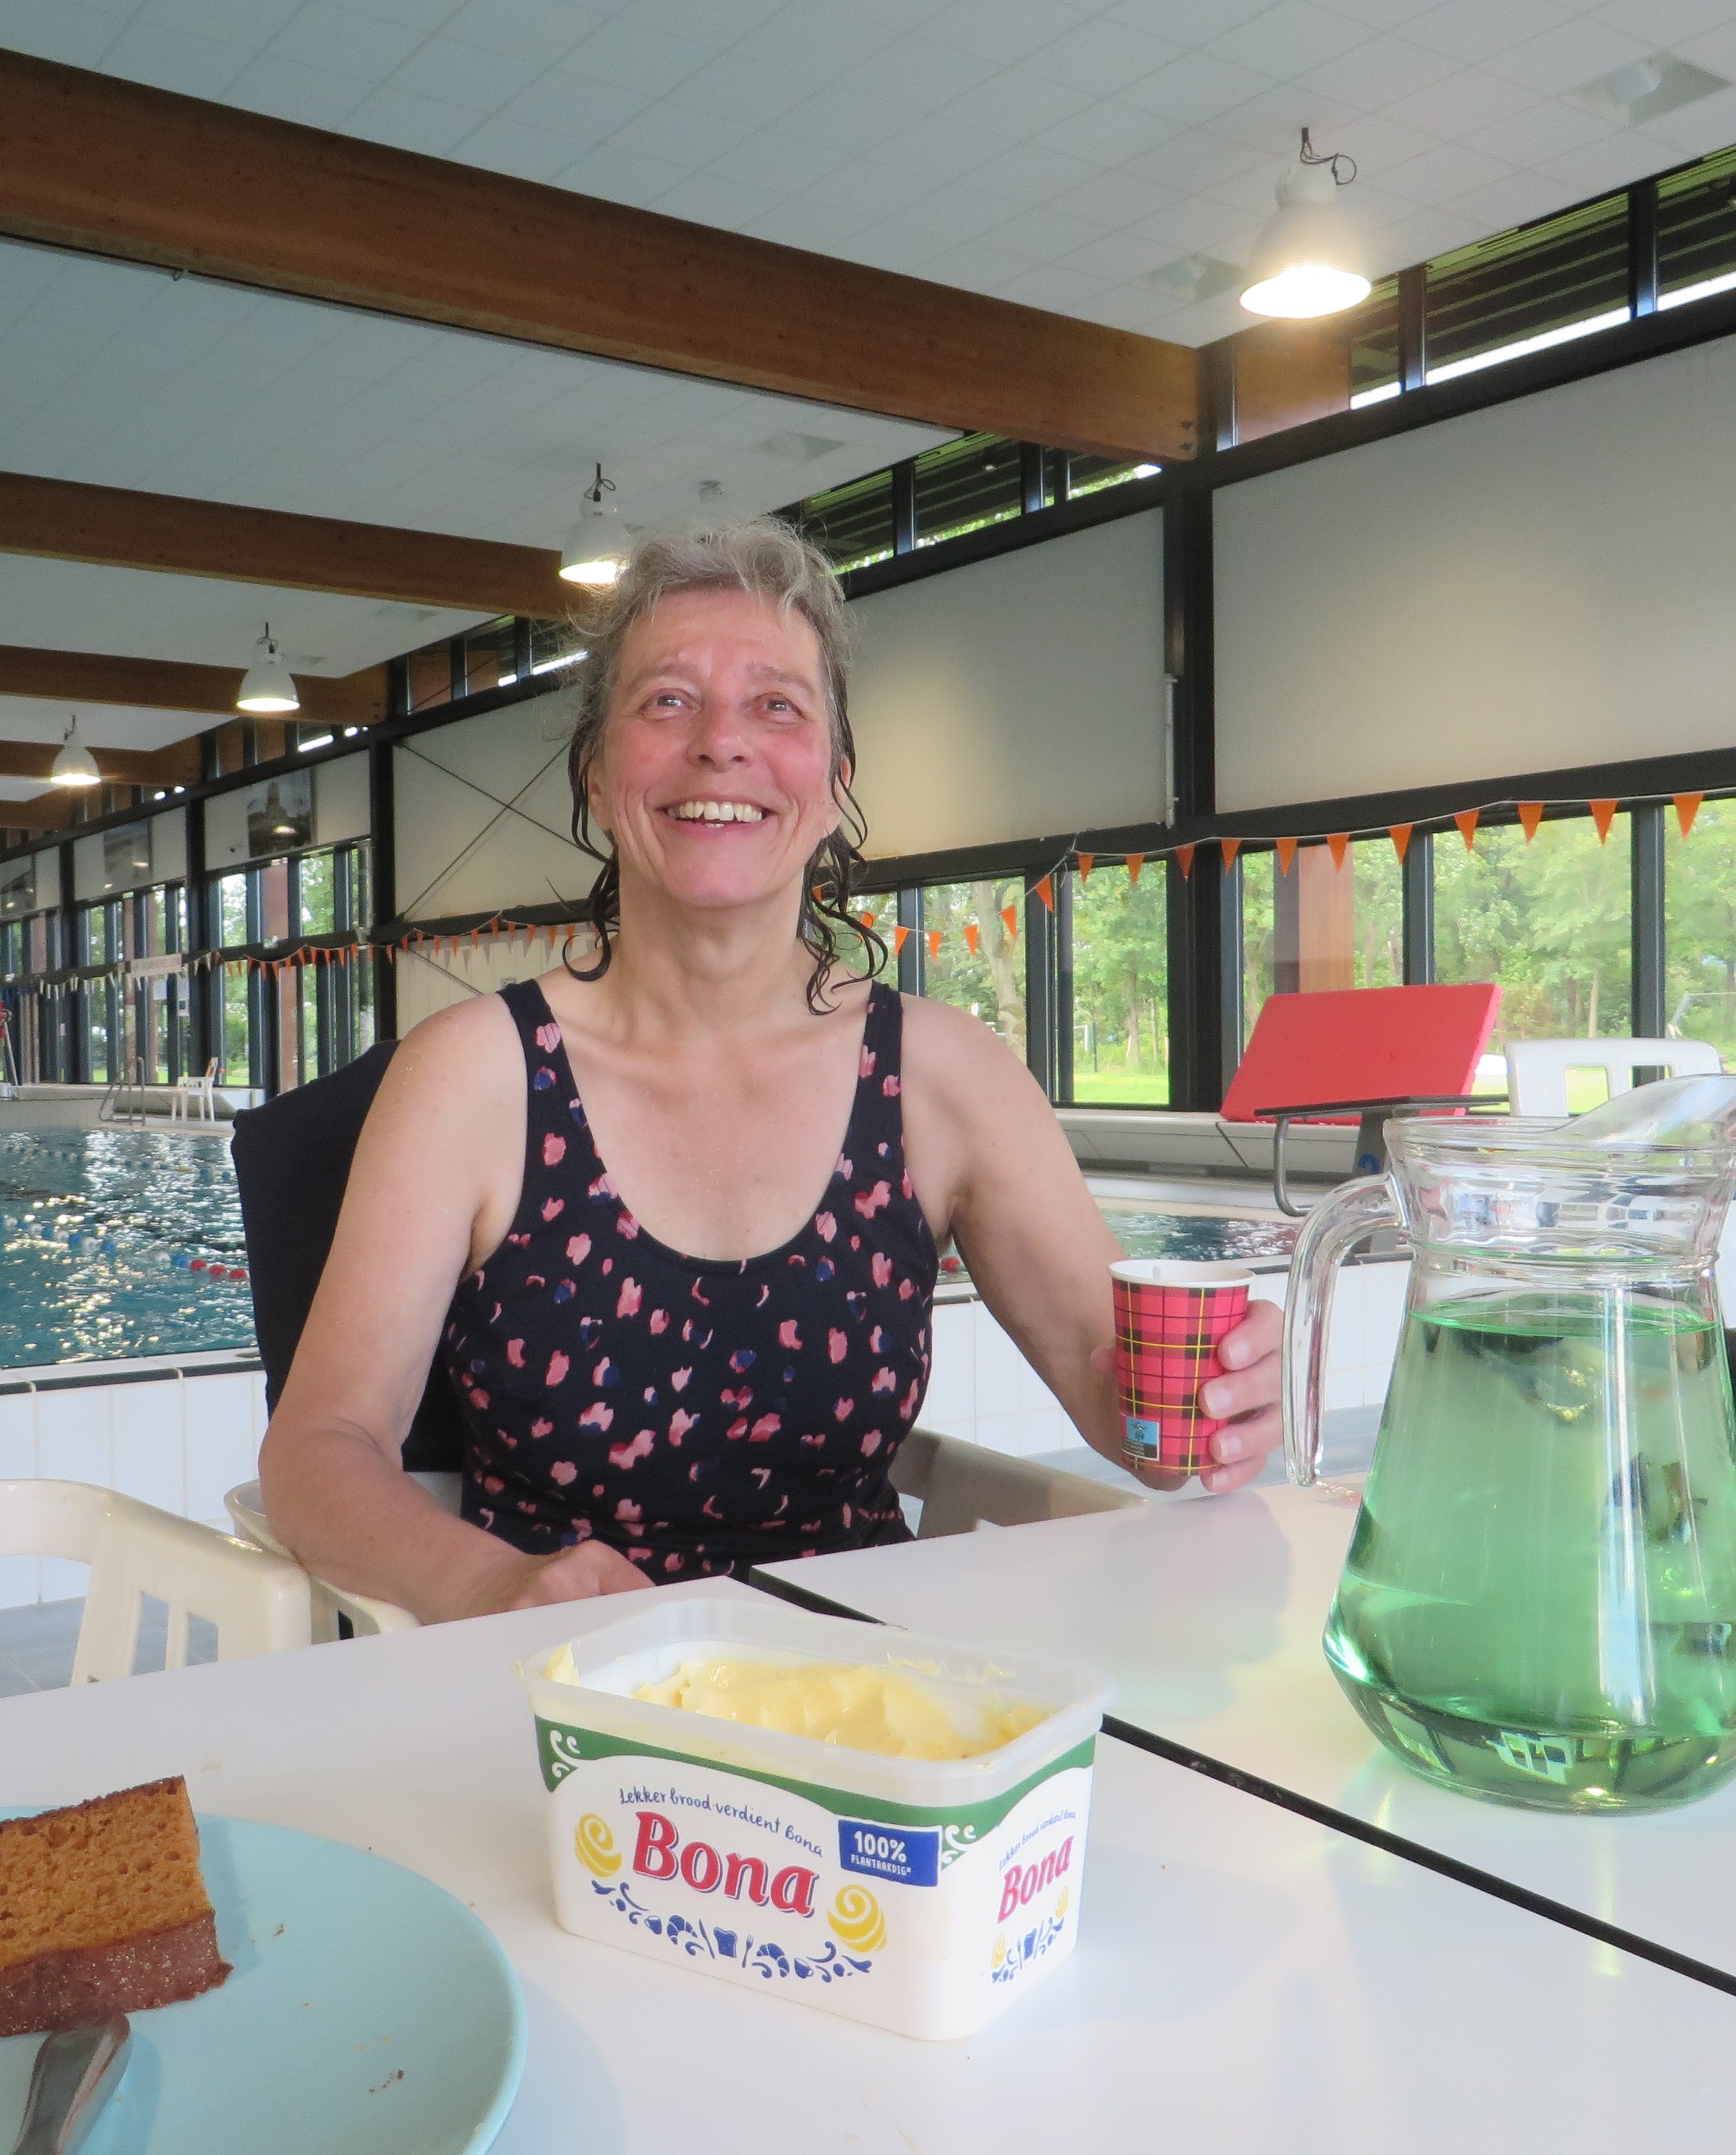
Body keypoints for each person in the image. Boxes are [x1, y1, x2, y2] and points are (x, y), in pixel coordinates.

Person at [257, 519, 1282, 1621]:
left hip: (867, 1698)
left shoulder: (943, 1078)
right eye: (666, 700)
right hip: (566, 1692)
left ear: (834, 784)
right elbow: (319, 1450)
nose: (721, 744)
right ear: (599, 776)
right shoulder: (475, 1078)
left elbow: (1122, 1399)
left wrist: (1216, 1410)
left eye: (777, 703)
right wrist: (494, 1585)